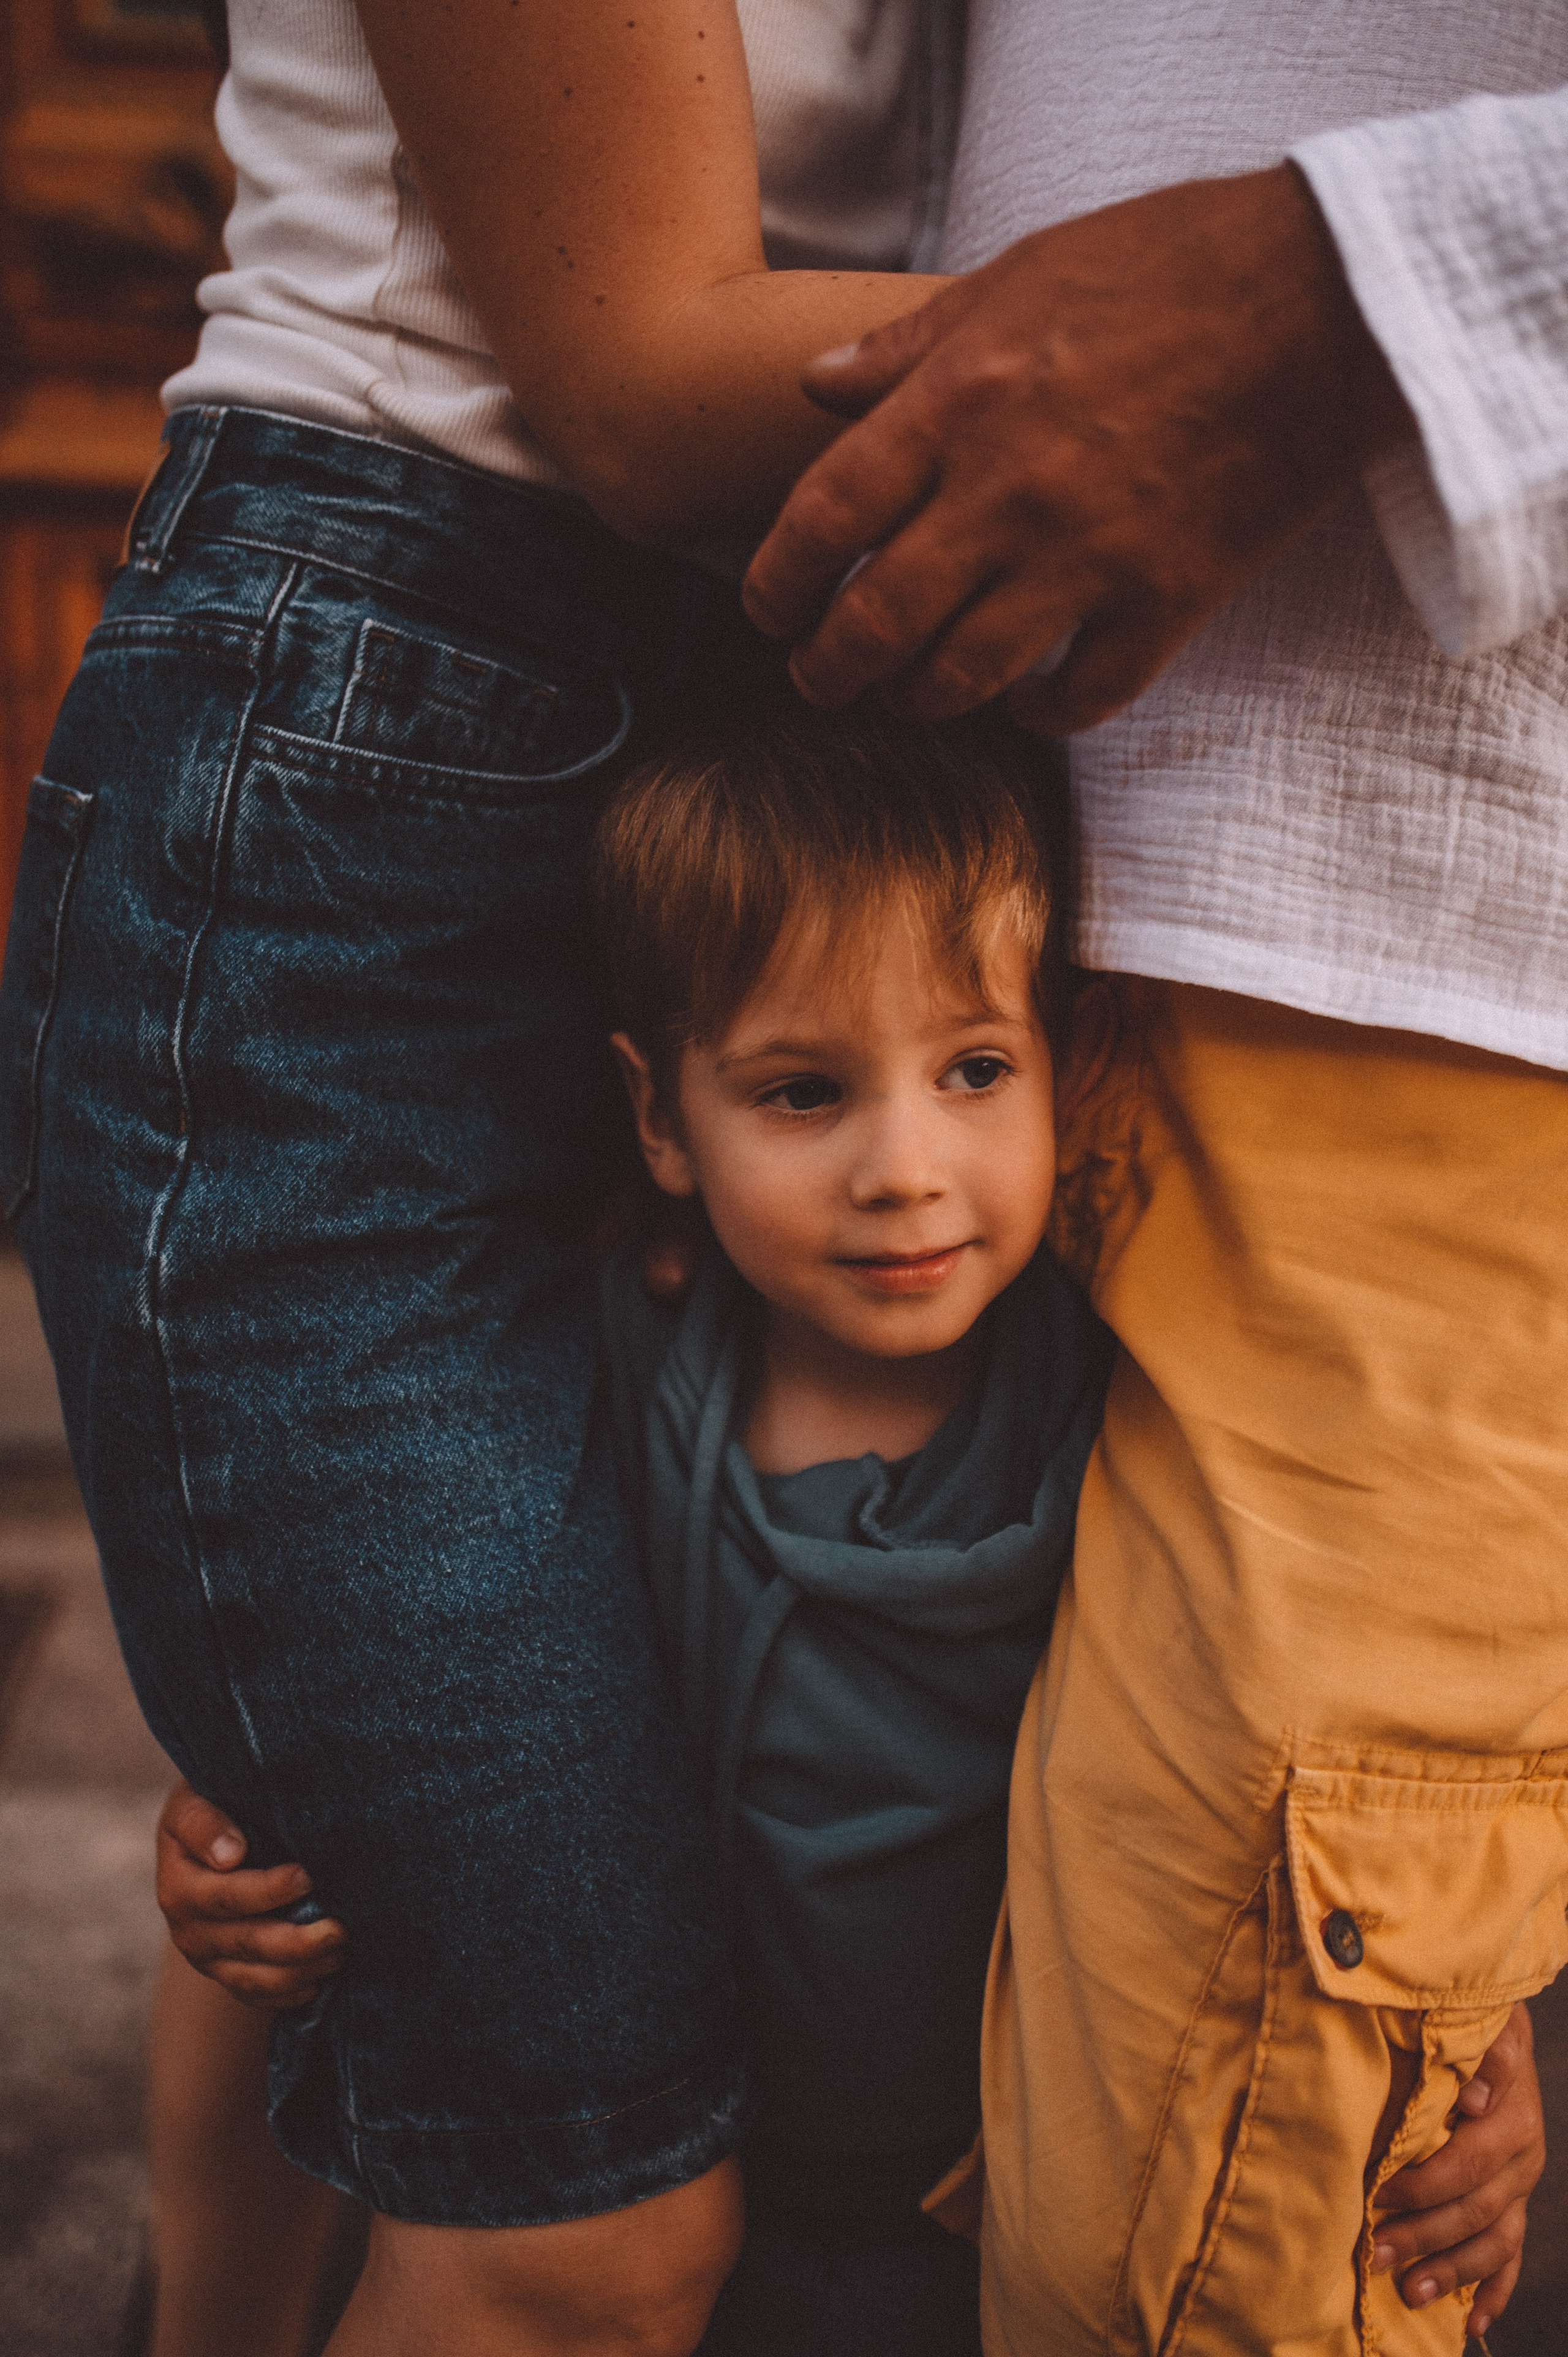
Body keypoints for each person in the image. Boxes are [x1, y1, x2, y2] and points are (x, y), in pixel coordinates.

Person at [149, 689, 1542, 2355]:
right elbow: (429, 1707)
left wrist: (1471, 2028)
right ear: (663, 1119)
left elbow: (1344, 1757)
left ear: (1063, 1069)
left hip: (1002, 2227)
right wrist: (242, 1860)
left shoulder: (1132, 1396)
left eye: (973, 1071)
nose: (904, 1165)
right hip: (697, 2213)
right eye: (803, 1093)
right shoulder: (601, 1379)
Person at [0, 4, 976, 2353]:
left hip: (798, 753)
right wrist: (1368, 296)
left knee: (400, 1924)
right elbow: (636, 375)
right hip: (379, 738)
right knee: (583, 2227)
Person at [741, 9, 1568, 2353]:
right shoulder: (777, 1200)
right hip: (939, 863)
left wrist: (1366, 292)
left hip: (1415, 954)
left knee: (1176, 2276)